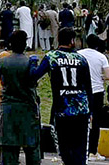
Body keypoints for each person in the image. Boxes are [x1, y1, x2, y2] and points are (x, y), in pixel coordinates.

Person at [31, 28, 92, 165]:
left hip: (62, 108)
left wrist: (33, 63)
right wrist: (91, 110)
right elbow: (88, 87)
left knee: (65, 146)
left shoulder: (51, 57)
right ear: (72, 41)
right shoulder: (81, 59)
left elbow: (35, 76)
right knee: (80, 148)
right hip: (81, 109)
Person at [0, 30, 40, 165]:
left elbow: (2, 81)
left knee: (9, 149)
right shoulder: (29, 63)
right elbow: (33, 83)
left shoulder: (2, 62)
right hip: (27, 108)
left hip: (8, 108)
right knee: (32, 148)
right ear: (25, 43)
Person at [78, 34, 109, 161]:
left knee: (80, 120)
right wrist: (100, 77)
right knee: (95, 121)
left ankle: (80, 149)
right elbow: (108, 75)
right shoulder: (101, 57)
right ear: (97, 44)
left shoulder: (79, 54)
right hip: (97, 91)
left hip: (81, 90)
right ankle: (93, 151)